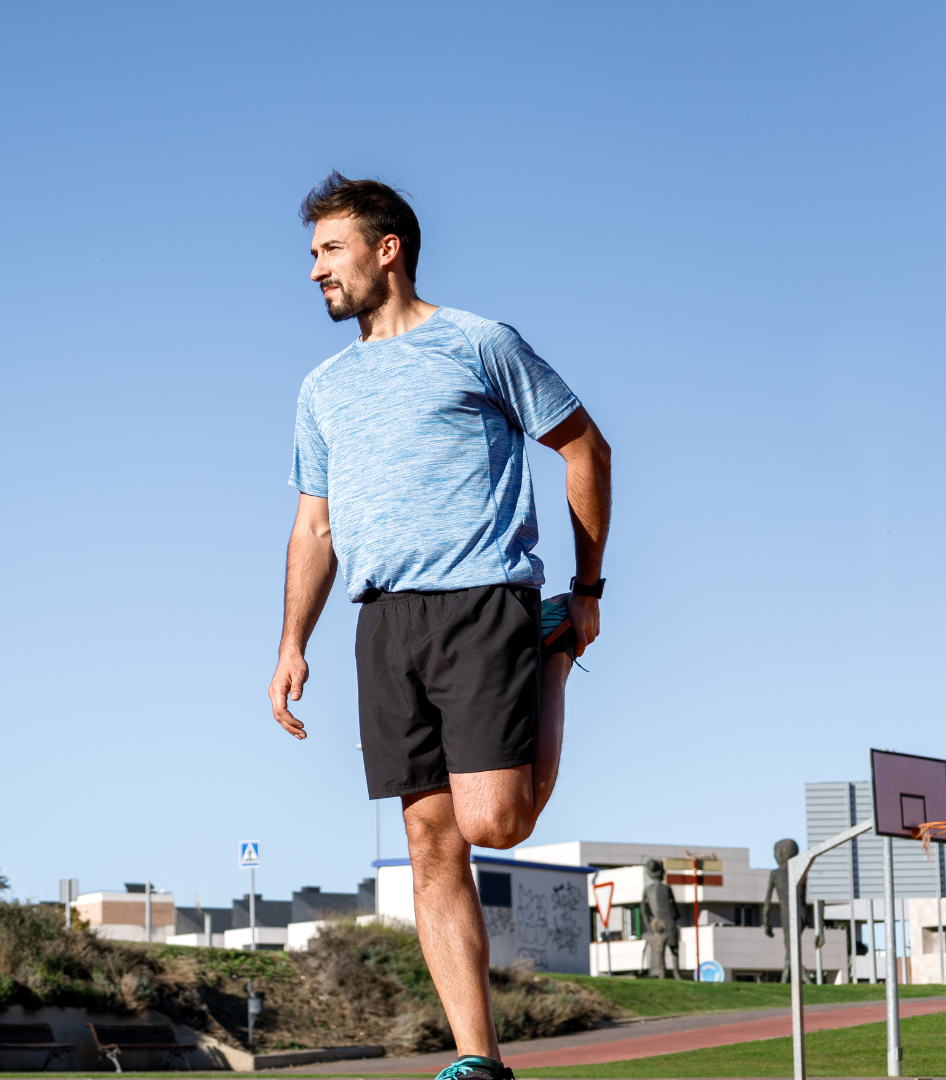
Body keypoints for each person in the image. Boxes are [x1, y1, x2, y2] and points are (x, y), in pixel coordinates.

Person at [267, 173, 611, 1080]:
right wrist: (291, 641)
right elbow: (316, 525)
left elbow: (584, 446)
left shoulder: (478, 343)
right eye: (312, 255)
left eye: (329, 250)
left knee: (493, 822)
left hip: (483, 600)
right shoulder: (322, 388)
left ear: (388, 250)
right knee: (427, 841)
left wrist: (585, 587)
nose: (315, 272)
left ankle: (555, 659)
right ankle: (478, 1061)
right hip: (381, 622)